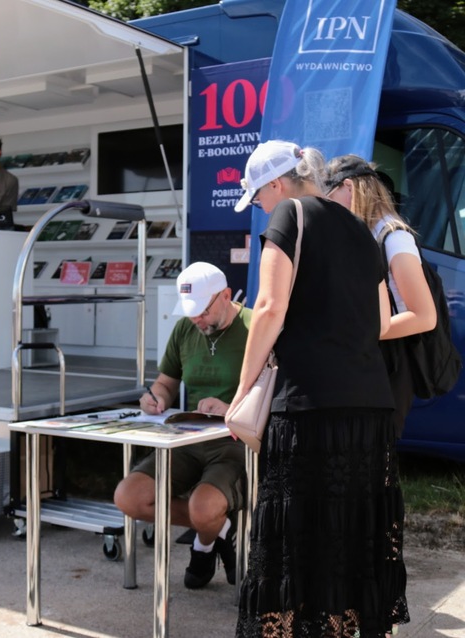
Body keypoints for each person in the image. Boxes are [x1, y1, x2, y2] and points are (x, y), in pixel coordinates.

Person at [230, 140, 409, 637]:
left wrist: (242, 390)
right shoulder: (361, 230)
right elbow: (381, 322)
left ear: (276, 184)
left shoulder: (289, 214)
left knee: (296, 547)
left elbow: (269, 309)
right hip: (369, 413)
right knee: (348, 543)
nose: (261, 207)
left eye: (258, 197)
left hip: (309, 410)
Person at [113, 262, 248, 590]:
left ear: (226, 295)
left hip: (236, 439)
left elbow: (276, 392)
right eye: (189, 311)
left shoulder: (255, 326)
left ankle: (204, 544)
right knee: (129, 497)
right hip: (187, 438)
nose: (195, 319)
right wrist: (155, 397)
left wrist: (232, 409)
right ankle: (222, 529)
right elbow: (166, 383)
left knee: (204, 507)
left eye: (202, 311)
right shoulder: (185, 329)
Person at [326, 154, 436, 438]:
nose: (328, 206)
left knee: (375, 452)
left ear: (348, 187)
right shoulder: (367, 233)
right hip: (370, 360)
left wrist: (364, 332)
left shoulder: (393, 237)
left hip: (391, 364)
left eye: (330, 196)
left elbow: (425, 316)